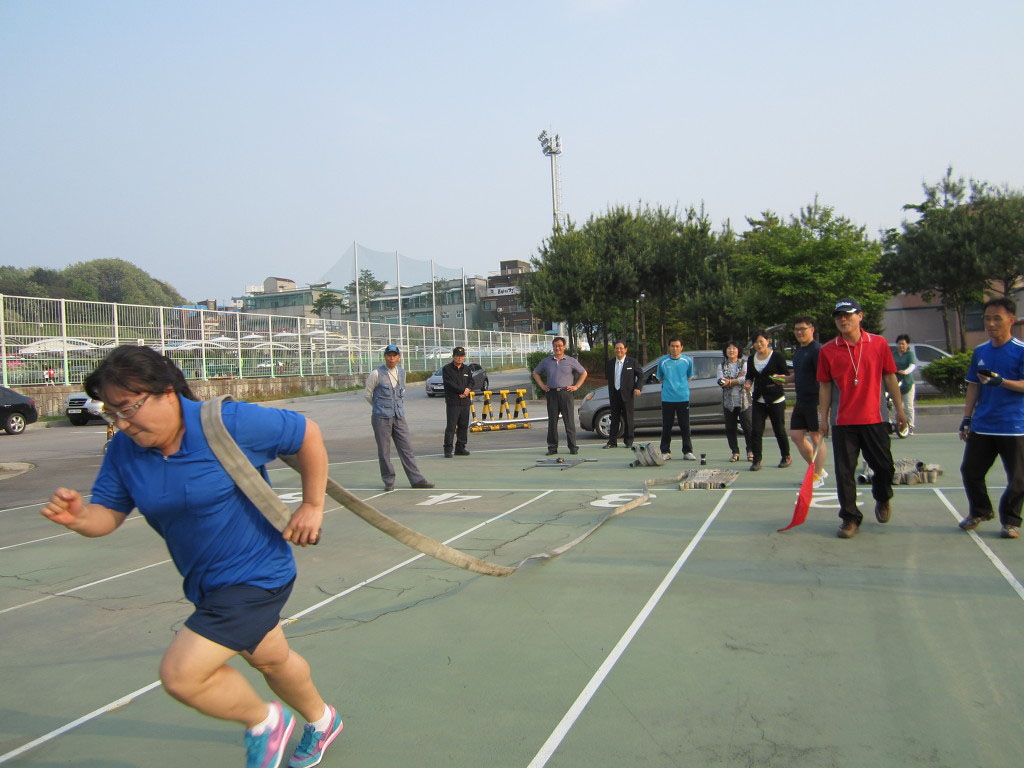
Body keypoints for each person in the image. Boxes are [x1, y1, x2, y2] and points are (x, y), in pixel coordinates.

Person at [40, 345, 343, 768]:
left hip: (256, 575)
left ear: (167, 392)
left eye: (128, 409)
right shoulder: (125, 450)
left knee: (182, 675)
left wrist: (312, 505)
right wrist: (80, 518)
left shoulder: (225, 422)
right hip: (205, 584)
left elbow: (306, 433)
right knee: (273, 660)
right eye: (112, 413)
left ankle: (264, 723)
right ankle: (323, 720)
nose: (122, 423)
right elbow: (107, 514)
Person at [817, 298, 907, 539]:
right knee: (844, 472)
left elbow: (890, 377)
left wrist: (900, 410)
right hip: (843, 422)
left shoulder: (878, 344)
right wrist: (823, 418)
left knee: (884, 467)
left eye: (847, 314)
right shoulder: (827, 350)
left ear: (860, 316)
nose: (843, 319)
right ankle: (850, 517)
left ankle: (882, 497)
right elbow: (825, 386)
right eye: (838, 316)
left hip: (875, 419)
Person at [957, 297, 1024, 539]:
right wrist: (967, 418)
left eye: (997, 318)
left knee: (1018, 479)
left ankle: (1011, 521)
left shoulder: (1020, 350)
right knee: (970, 471)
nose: (991, 323)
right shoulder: (981, 351)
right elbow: (974, 385)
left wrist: (1001, 382)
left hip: (1014, 426)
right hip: (983, 425)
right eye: (987, 318)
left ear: (1011, 320)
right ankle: (980, 511)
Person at [364, 344, 435, 492]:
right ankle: (388, 481)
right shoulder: (376, 373)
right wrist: (379, 407)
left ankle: (417, 480)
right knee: (384, 450)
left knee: (406, 448)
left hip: (399, 416)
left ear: (399, 357)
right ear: (385, 357)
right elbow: (367, 394)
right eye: (389, 355)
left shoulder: (402, 373)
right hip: (381, 417)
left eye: (394, 355)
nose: (391, 358)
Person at [788, 316, 828, 487]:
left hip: (815, 400)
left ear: (812, 330)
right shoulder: (799, 351)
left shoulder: (817, 350)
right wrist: (785, 379)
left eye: (802, 329)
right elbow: (799, 374)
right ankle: (818, 469)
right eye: (796, 329)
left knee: (816, 437)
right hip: (801, 400)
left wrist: (824, 405)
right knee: (796, 436)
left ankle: (817, 476)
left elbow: (824, 378)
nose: (799, 332)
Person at [532, 336, 587, 455]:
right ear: (553, 347)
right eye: (555, 346)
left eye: (560, 346)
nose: (557, 348)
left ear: (564, 347)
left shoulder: (571, 361)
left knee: (569, 422)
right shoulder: (547, 361)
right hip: (552, 394)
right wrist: (542, 385)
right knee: (552, 422)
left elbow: (583, 373)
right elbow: (535, 373)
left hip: (566, 393)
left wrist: (576, 386)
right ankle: (552, 448)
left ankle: (573, 447)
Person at [744, 330, 791, 471]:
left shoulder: (777, 356)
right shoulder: (751, 359)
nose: (758, 345)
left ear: (767, 341)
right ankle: (757, 460)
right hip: (759, 399)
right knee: (756, 431)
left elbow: (786, 375)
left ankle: (786, 456)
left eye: (761, 341)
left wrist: (779, 378)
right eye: (756, 342)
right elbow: (749, 376)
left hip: (776, 398)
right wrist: (748, 383)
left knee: (779, 429)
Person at [657, 337, 696, 461]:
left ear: (681, 347)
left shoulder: (687, 361)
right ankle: (665, 451)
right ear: (669, 347)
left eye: (677, 346)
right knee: (666, 426)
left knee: (685, 425)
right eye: (672, 346)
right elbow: (660, 378)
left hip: (683, 397)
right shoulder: (662, 361)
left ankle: (687, 451)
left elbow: (689, 377)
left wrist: (680, 386)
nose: (675, 348)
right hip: (667, 398)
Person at [603, 340, 643, 448]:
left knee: (628, 419)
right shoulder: (610, 363)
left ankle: (628, 441)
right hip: (614, 395)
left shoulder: (632, 362)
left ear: (625, 350)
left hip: (627, 395)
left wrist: (638, 387)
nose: (619, 350)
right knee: (614, 419)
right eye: (617, 348)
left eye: (621, 348)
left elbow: (640, 375)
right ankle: (612, 442)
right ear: (614, 350)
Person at [718, 341, 752, 462]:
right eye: (729, 348)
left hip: (744, 401)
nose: (731, 350)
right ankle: (735, 452)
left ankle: (750, 451)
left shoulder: (744, 363)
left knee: (747, 427)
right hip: (729, 402)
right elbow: (721, 381)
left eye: (734, 348)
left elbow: (745, 379)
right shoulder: (721, 365)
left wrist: (730, 381)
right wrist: (738, 378)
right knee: (730, 428)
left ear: (738, 351)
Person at [441, 346, 473, 458]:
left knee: (463, 426)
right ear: (453, 356)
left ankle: (460, 448)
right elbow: (449, 383)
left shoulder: (467, 369)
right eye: (458, 356)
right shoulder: (447, 369)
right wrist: (462, 391)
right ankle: (448, 449)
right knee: (451, 426)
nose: (460, 358)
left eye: (462, 356)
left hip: (465, 402)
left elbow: (471, 381)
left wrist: (468, 390)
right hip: (453, 402)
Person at [892, 334, 918, 434]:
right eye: (899, 344)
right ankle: (899, 426)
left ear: (907, 345)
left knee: (908, 407)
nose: (901, 346)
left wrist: (905, 371)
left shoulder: (910, 354)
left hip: (907, 384)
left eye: (903, 344)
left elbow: (912, 366)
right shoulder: (894, 354)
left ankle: (910, 426)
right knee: (898, 407)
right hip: (896, 383)